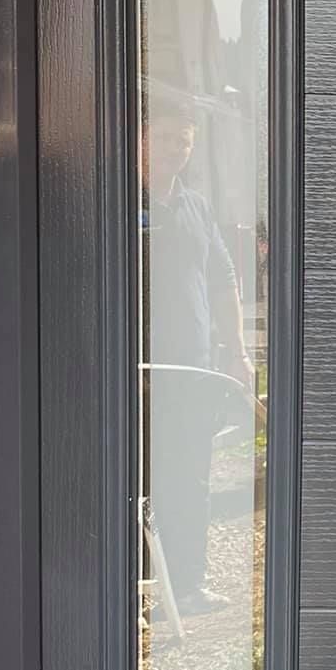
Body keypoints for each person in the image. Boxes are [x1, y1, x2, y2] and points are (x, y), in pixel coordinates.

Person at [140, 106, 252, 616]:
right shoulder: (121, 200)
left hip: (194, 369)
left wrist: (238, 353)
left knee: (191, 477)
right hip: (138, 374)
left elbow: (225, 278)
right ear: (140, 139)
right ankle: (141, 590)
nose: (174, 150)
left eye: (182, 142)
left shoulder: (195, 205)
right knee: (140, 478)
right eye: (164, 137)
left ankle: (186, 586)